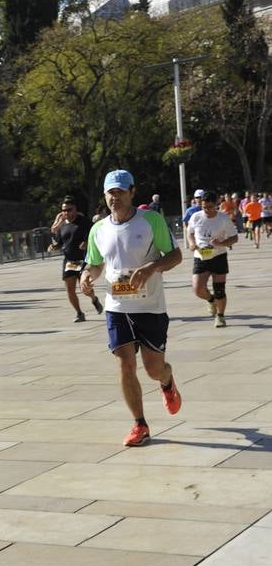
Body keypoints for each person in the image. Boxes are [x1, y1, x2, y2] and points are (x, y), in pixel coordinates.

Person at [81, 169, 184, 447]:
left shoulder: (150, 220)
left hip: (150, 307)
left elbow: (175, 255)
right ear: (105, 195)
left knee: (153, 369)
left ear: (132, 192)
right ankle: (140, 424)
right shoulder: (98, 229)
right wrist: (86, 274)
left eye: (120, 191)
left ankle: (167, 380)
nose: (115, 197)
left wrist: (151, 267)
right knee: (124, 363)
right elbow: (96, 261)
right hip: (117, 307)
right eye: (110, 192)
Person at [185, 189, 238, 328]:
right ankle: (211, 300)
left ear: (216, 204)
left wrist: (222, 243)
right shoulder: (196, 216)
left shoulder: (223, 218)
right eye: (204, 207)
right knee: (197, 289)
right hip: (200, 256)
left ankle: (220, 316)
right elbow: (189, 232)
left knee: (219, 289)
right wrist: (191, 243)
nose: (207, 210)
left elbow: (234, 237)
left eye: (210, 207)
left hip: (218, 256)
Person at [50, 196, 102, 322]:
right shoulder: (62, 225)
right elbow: (59, 242)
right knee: (70, 289)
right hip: (69, 261)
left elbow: (95, 236)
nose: (66, 213)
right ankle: (79, 313)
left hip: (83, 260)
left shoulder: (85, 222)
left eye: (69, 210)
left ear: (75, 209)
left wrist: (86, 243)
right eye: (64, 210)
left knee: (85, 289)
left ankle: (94, 299)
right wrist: (54, 246)